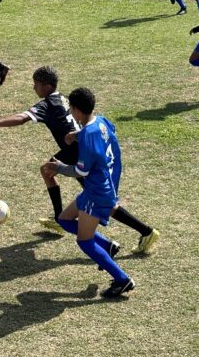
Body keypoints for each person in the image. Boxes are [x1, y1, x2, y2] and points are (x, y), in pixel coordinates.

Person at [0, 66, 160, 254]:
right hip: (73, 149)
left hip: (81, 156)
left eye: (35, 84)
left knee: (105, 203)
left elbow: (21, 118)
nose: (33, 88)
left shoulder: (47, 104)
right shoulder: (64, 98)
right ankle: (59, 219)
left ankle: (146, 231)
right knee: (47, 170)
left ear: (45, 85)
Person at [46, 87, 135, 298]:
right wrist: (77, 134)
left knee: (84, 241)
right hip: (99, 187)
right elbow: (104, 135)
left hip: (97, 192)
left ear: (76, 110)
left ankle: (123, 280)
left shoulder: (87, 135)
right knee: (64, 219)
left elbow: (80, 170)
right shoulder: (101, 121)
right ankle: (107, 246)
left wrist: (58, 166)